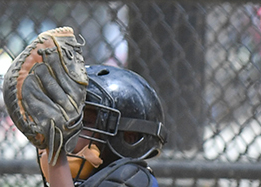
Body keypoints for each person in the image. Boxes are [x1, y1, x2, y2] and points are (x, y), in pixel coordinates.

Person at [37, 64, 166, 187]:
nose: (64, 133)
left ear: (129, 138)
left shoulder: (131, 179)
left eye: (82, 123)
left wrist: (56, 158)